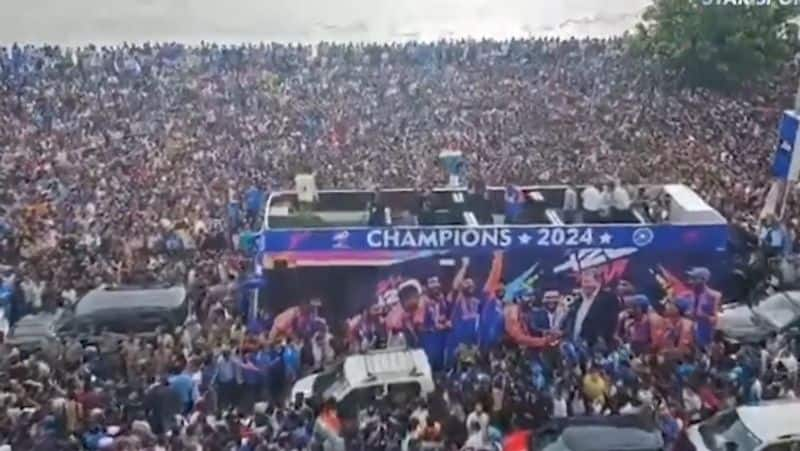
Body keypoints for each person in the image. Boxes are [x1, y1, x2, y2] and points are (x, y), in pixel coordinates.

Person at [564, 270, 619, 347]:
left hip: (597, 347)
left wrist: (600, 340)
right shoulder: (578, 301)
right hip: (577, 346)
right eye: (583, 282)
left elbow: (610, 323)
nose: (584, 285)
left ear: (598, 282)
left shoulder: (608, 298)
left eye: (588, 282)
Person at [675, 267, 721, 349]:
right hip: (688, 340)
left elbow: (715, 320)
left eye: (694, 279)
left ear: (703, 280)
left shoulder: (713, 296)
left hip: (704, 339)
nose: (690, 281)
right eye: (690, 278)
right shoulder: (686, 296)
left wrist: (701, 316)